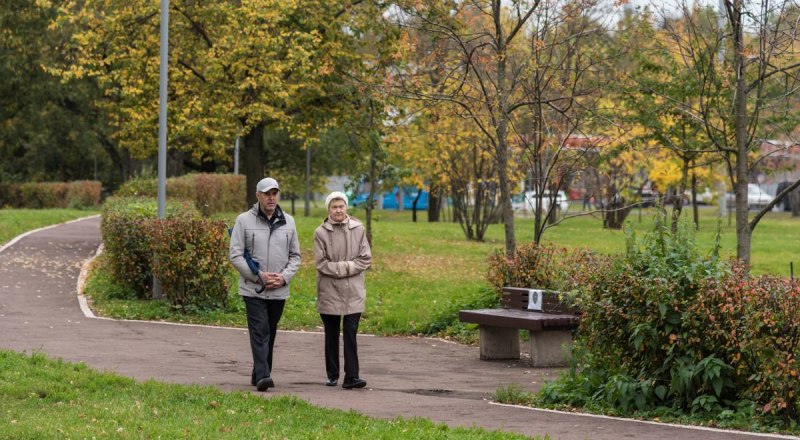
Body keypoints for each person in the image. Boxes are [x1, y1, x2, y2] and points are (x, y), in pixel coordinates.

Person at [229, 177, 300, 392]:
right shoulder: (243, 221)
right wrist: (258, 276)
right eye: (267, 194)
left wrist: (283, 277)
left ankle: (258, 372)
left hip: (278, 289)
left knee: (270, 330)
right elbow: (236, 255)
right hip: (253, 289)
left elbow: (295, 256)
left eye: (274, 193)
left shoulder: (289, 222)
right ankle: (263, 376)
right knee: (260, 330)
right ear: (258, 196)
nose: (271, 198)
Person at [314, 191, 372, 389]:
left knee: (350, 332)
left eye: (341, 206)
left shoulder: (358, 229)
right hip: (329, 290)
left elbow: (365, 258)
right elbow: (321, 264)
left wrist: (340, 268)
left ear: (346, 207)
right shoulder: (320, 232)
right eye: (334, 206)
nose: (338, 210)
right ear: (328, 209)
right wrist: (347, 268)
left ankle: (352, 376)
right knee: (331, 333)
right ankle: (332, 373)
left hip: (353, 290)